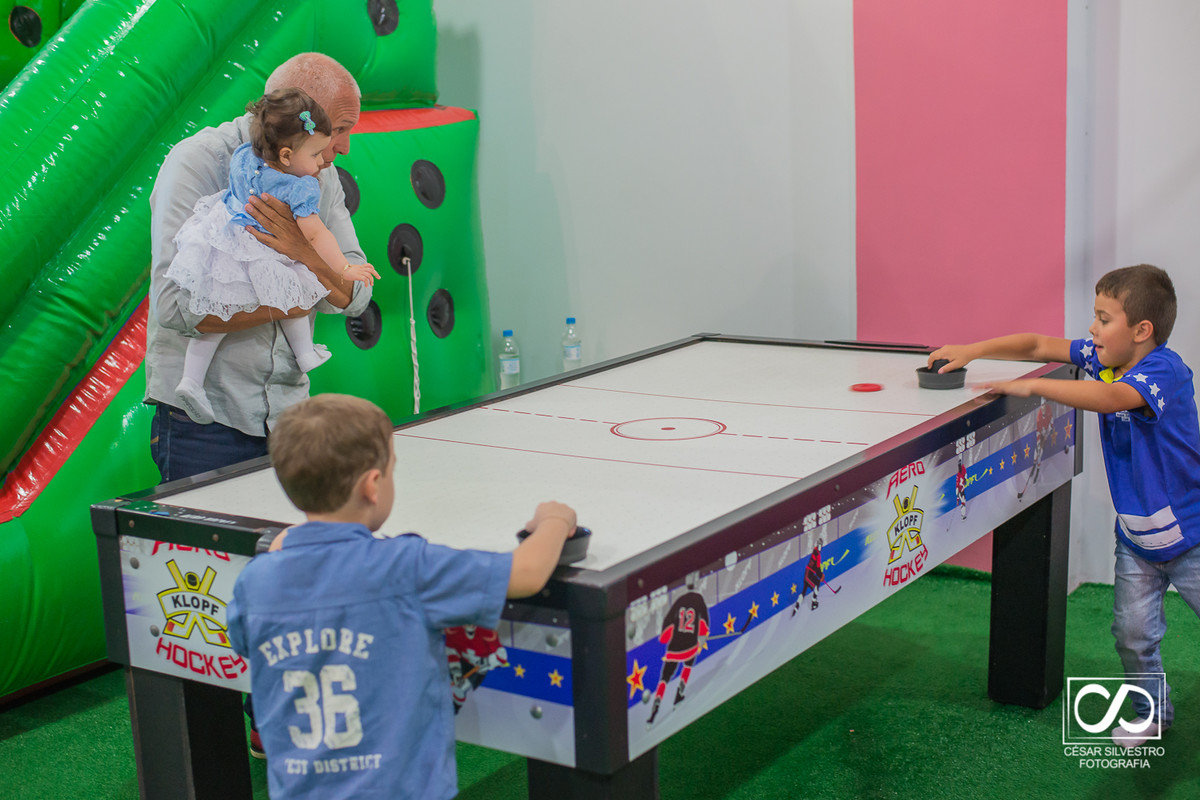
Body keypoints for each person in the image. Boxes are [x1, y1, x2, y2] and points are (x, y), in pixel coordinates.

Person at [226, 394, 578, 799]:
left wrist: (277, 558)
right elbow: (527, 573)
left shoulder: (258, 581)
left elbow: (243, 640)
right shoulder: (404, 566)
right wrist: (555, 519)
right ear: (373, 485)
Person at [930, 263, 1200, 749]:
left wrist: (1034, 386)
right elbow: (1037, 345)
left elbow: (1112, 397)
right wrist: (972, 350)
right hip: (1138, 541)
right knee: (1132, 634)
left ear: (1142, 330)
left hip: (1192, 538)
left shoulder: (1165, 370)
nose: (1092, 330)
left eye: (1103, 318)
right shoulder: (1104, 360)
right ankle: (1151, 712)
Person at [147, 52, 371, 482]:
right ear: (298, 114)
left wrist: (302, 254)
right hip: (206, 425)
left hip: (291, 421)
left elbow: (355, 296)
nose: (342, 146)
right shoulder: (200, 162)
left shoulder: (320, 175)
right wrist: (293, 299)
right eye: (339, 129)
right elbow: (175, 308)